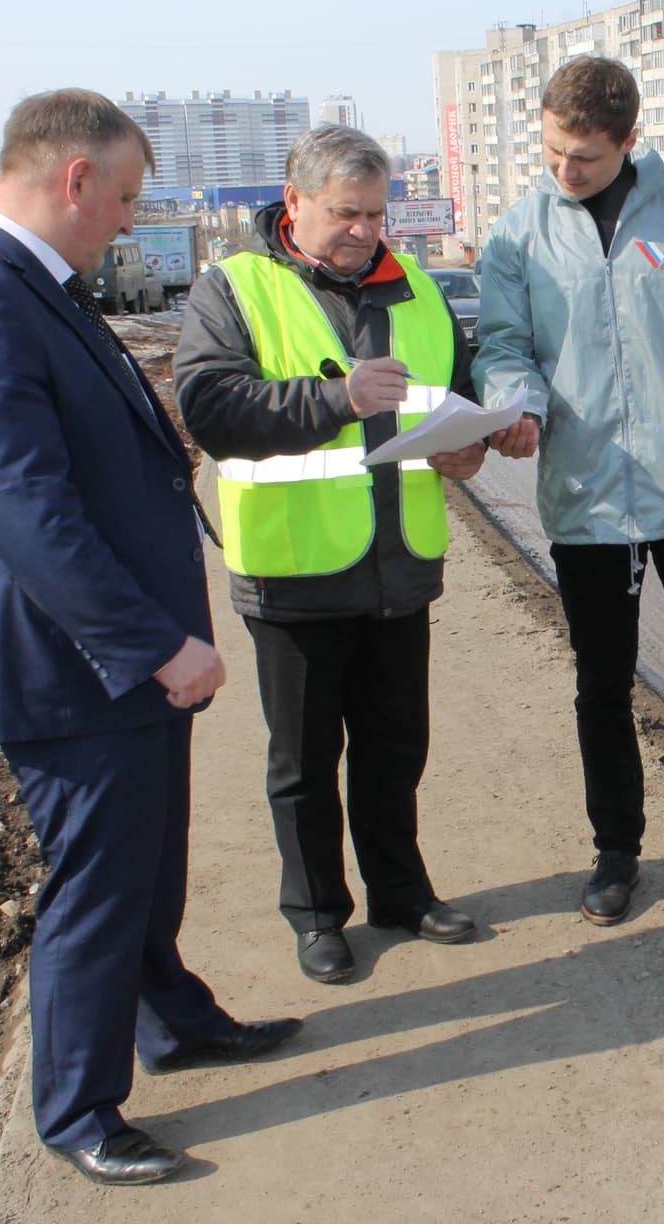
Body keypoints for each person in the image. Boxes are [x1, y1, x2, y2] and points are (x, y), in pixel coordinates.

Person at [0, 89, 298, 1187]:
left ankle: (173, 1019)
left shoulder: (41, 289)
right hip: (67, 662)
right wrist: (152, 643)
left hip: (109, 657)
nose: (127, 220)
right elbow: (24, 508)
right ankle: (77, 1108)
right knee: (97, 882)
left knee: (146, 861)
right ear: (74, 180)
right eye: (121, 197)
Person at [474, 56, 664, 938]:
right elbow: (502, 346)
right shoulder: (518, 234)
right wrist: (518, 405)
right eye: (553, 152)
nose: (565, 172)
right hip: (587, 497)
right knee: (601, 686)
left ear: (630, 143)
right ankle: (617, 853)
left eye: (586, 158)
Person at [174, 125, 488, 984]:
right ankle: (316, 913)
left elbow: (457, 389)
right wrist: (334, 396)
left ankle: (400, 892)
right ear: (296, 200)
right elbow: (210, 405)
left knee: (395, 748)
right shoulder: (233, 288)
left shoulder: (415, 285)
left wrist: (469, 445)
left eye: (375, 215)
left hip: (397, 565)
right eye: (346, 214)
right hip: (294, 572)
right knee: (305, 763)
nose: (363, 231)